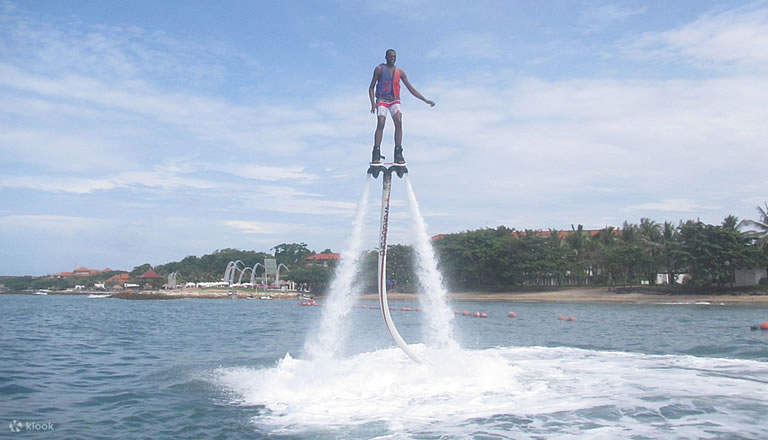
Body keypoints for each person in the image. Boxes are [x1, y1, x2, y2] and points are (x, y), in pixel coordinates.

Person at [368, 49, 435, 164]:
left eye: (394, 56)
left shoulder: (400, 72)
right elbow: (371, 88)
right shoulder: (379, 69)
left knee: (399, 121)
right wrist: (373, 104)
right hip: (382, 100)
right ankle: (376, 152)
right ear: (386, 57)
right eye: (390, 56)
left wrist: (425, 100)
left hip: (394, 100)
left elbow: (411, 89)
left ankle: (398, 152)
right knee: (381, 123)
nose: (392, 58)